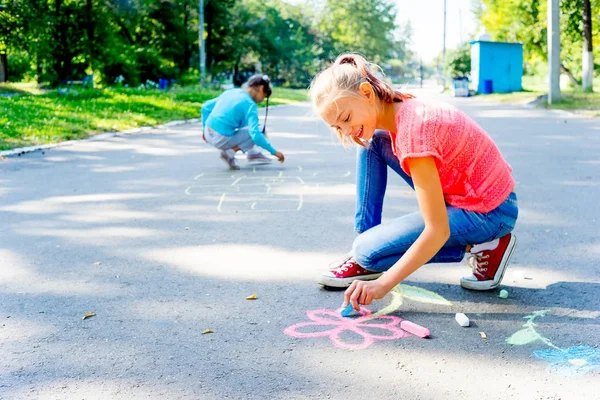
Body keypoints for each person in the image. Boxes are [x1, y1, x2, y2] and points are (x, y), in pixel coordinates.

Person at [309, 54, 518, 311]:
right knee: (371, 143)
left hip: (489, 212)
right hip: (475, 195)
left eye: (347, 119)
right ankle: (366, 247)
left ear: (366, 92)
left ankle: (487, 243)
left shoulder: (414, 132)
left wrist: (382, 284)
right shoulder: (400, 106)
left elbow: (437, 230)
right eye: (338, 127)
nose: (346, 131)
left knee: (368, 252)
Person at [201, 74, 285, 170]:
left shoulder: (232, 92)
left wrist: (204, 130)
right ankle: (230, 153)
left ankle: (253, 153)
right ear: (261, 89)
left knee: (250, 127)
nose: (262, 100)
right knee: (259, 130)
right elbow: (255, 134)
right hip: (220, 138)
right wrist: (274, 152)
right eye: (264, 96)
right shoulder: (250, 105)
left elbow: (205, 107)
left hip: (208, 133)